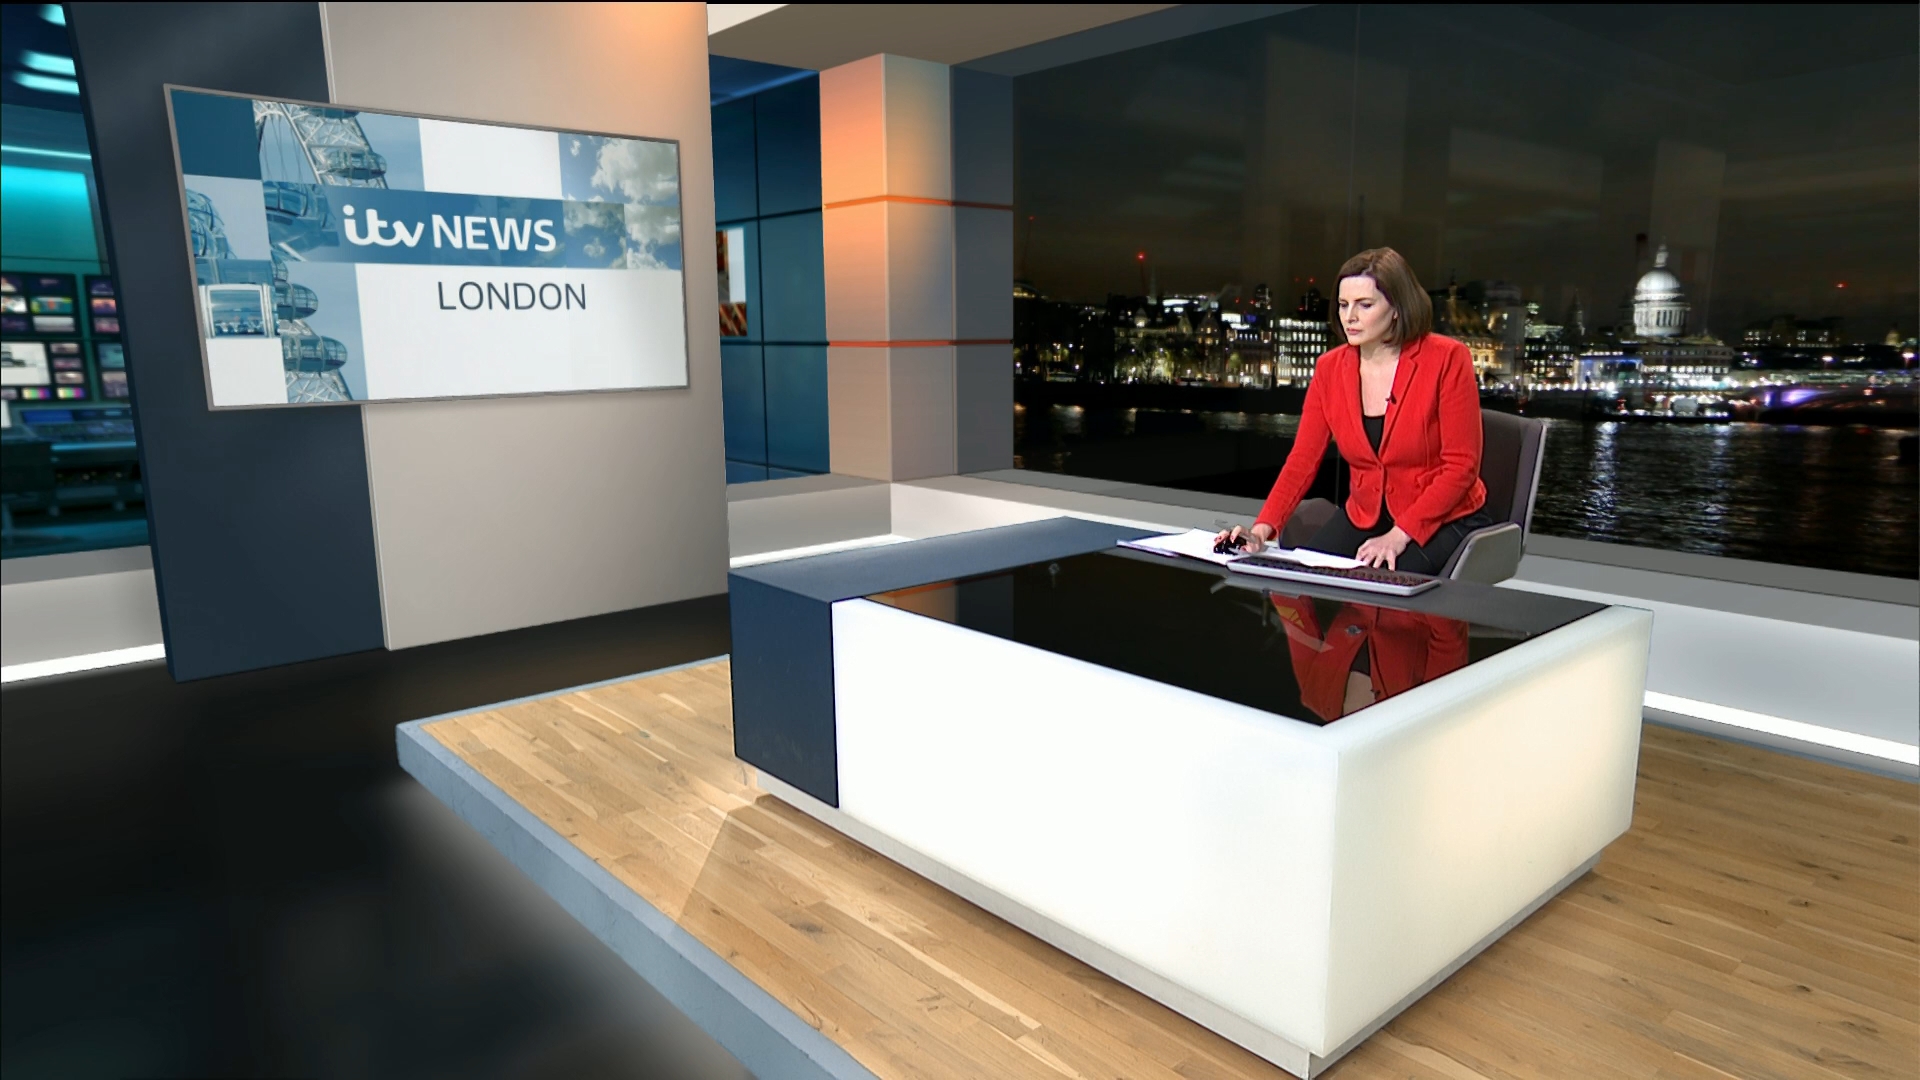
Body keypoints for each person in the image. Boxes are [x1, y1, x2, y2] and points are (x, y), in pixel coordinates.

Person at [1215, 247, 1492, 572]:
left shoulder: (1447, 358)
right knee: (1301, 576)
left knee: (1385, 582)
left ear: (1397, 308)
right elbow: (1302, 461)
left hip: (1444, 516)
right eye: (1344, 304)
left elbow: (1461, 466)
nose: (1350, 316)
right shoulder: (1329, 369)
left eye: (1365, 305)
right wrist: (1262, 530)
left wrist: (1399, 535)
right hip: (1366, 513)